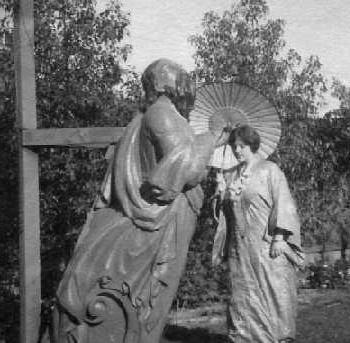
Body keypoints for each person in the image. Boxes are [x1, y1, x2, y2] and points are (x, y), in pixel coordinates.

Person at [53, 59, 228, 343]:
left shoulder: (151, 116)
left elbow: (178, 155)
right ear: (170, 85)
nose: (189, 89)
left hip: (146, 225)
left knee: (132, 311)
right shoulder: (162, 113)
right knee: (136, 310)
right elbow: (188, 171)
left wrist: (210, 141)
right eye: (184, 82)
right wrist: (213, 133)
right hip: (149, 231)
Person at [212, 125, 304, 343]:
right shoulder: (230, 173)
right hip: (240, 249)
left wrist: (280, 238)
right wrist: (221, 194)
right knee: (242, 294)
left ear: (252, 145)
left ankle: (277, 337)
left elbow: (284, 203)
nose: (236, 150)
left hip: (265, 245)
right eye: (234, 146)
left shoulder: (270, 170)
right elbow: (226, 216)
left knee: (273, 291)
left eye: (241, 146)